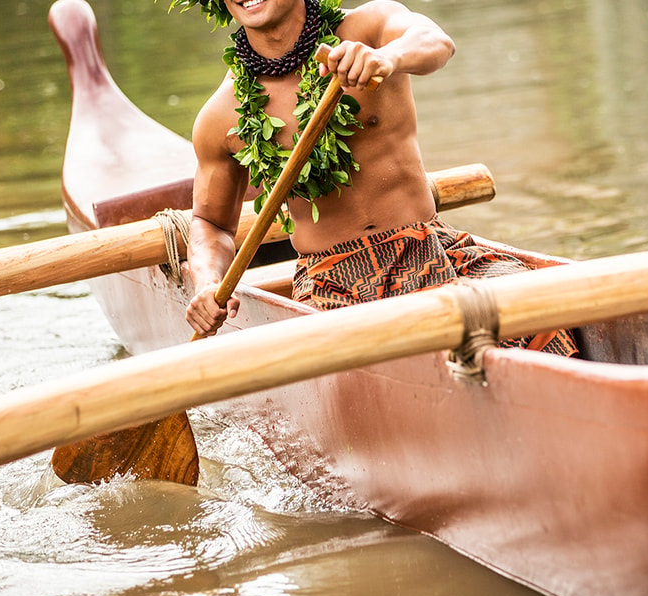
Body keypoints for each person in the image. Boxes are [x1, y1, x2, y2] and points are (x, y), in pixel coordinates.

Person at [181, 0, 577, 356]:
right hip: (332, 285)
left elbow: (435, 41)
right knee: (417, 348)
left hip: (430, 248)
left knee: (537, 310)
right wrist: (207, 281)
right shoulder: (223, 115)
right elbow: (211, 223)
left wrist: (388, 57)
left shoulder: (371, 28)